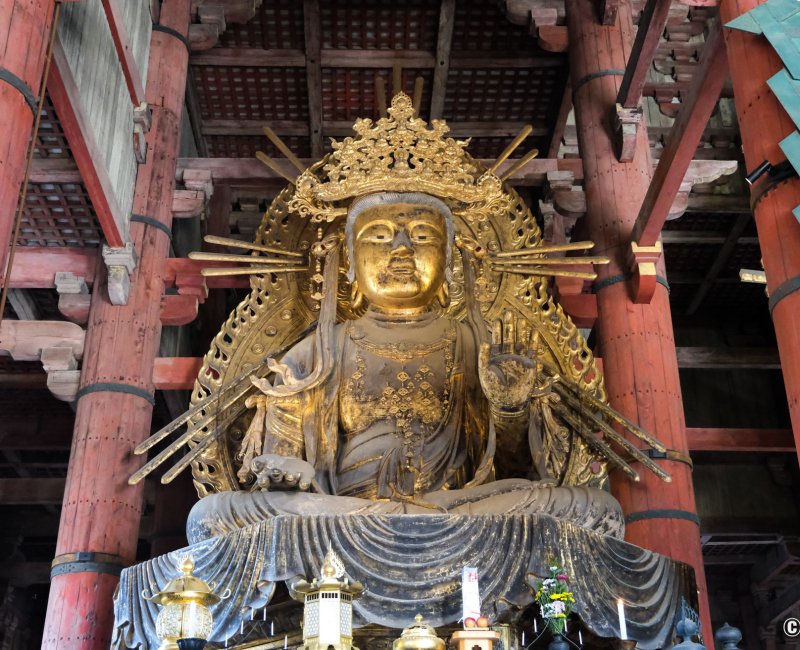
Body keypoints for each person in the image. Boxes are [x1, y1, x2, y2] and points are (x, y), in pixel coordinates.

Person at [186, 193, 624, 544]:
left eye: (421, 236)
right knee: (214, 515)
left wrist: (511, 411)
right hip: (345, 516)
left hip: (459, 512)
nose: (400, 249)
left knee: (592, 510)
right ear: (349, 265)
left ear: (449, 265)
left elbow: (518, 473)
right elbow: (275, 464)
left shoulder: (479, 346)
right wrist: (285, 472)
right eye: (378, 236)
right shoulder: (319, 350)